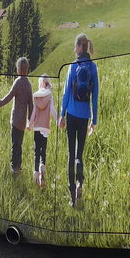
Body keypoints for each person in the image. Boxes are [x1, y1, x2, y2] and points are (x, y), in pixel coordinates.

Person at [57, 33, 98, 206]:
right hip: (84, 116)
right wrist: (94, 119)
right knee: (79, 155)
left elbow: (66, 93)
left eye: (75, 47)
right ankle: (81, 183)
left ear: (80, 48)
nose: (74, 50)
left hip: (72, 115)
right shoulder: (93, 67)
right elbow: (95, 95)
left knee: (70, 154)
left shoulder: (73, 67)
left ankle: (72, 196)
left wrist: (62, 115)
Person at [0, 56, 33, 176]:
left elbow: (9, 96)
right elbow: (31, 104)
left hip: (15, 120)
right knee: (19, 145)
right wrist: (29, 120)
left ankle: (14, 167)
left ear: (18, 70)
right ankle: (18, 166)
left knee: (14, 145)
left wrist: (0, 103)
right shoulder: (28, 84)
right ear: (27, 69)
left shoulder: (17, 82)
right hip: (22, 122)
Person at [27, 74, 54, 187]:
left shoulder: (36, 97)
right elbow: (52, 111)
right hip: (45, 128)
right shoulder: (49, 96)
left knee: (36, 152)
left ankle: (36, 179)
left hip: (37, 128)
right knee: (43, 152)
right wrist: (59, 120)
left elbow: (33, 113)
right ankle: (42, 166)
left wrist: (29, 124)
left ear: (41, 83)